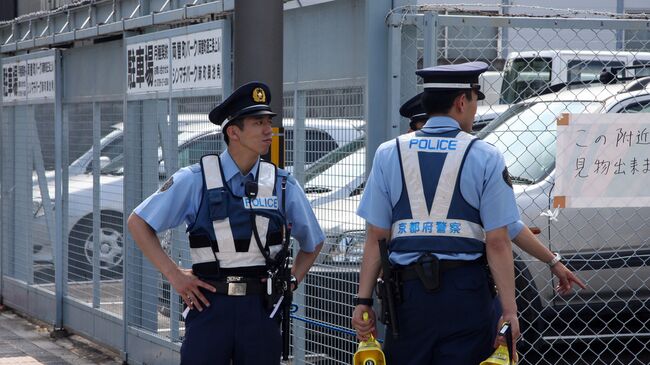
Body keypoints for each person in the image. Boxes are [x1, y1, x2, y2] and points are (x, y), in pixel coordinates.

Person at [127, 81, 324, 365]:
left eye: (269, 121)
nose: (269, 130)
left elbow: (314, 241)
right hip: (209, 306)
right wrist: (174, 275)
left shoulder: (282, 183)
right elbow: (138, 223)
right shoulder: (194, 179)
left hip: (261, 309)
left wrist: (290, 281)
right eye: (258, 123)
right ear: (233, 132)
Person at [352, 62, 521, 365]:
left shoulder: (389, 153)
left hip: (407, 298)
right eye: (474, 100)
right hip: (466, 294)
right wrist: (509, 312)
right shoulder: (486, 156)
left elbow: (376, 235)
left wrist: (363, 302)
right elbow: (497, 241)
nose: (474, 110)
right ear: (461, 101)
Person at [399, 92, 587, 295]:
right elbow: (505, 231)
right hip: (460, 284)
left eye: (415, 126)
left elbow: (509, 225)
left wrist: (552, 261)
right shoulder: (476, 157)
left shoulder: (400, 158)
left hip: (415, 286)